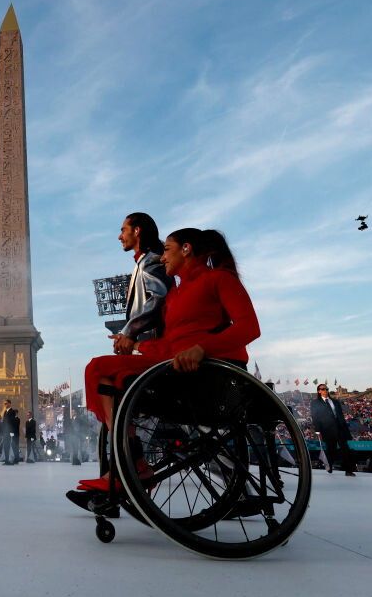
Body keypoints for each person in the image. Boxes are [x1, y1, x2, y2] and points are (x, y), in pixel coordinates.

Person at [75, 228, 260, 496]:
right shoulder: (174, 296)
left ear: (186, 249)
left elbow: (249, 328)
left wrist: (201, 349)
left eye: (167, 250)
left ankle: (129, 463)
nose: (162, 258)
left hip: (208, 374)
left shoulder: (220, 279)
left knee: (101, 370)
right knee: (102, 371)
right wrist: (136, 345)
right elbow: (170, 345)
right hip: (173, 368)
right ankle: (131, 459)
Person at [108, 212, 172, 356]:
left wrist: (128, 332)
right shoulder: (143, 262)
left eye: (123, 230)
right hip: (143, 342)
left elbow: (159, 299)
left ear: (136, 231)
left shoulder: (151, 261)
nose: (120, 237)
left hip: (153, 343)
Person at [310, 383, 356, 476]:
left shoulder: (335, 401)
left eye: (326, 389)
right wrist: (317, 430)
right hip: (327, 429)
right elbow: (315, 417)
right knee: (331, 449)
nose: (325, 391)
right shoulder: (315, 403)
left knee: (345, 448)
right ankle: (329, 465)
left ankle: (349, 470)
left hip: (339, 428)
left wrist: (343, 425)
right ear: (319, 391)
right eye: (323, 389)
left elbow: (340, 415)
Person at [1, 400, 19, 465]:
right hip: (5, 431)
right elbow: (4, 422)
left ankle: (10, 459)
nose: (5, 404)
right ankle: (6, 460)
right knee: (6, 446)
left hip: (9, 431)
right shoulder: (5, 412)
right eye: (4, 403)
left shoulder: (12, 411)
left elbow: (12, 422)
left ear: (10, 404)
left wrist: (11, 431)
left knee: (10, 446)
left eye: (6, 403)